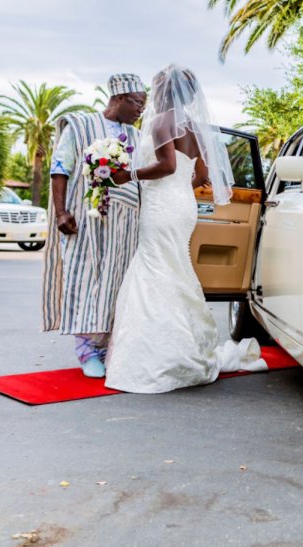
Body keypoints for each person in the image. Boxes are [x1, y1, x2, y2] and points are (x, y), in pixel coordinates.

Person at [104, 64, 266, 393]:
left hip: (162, 207)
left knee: (155, 270)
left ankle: (161, 355)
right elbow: (202, 175)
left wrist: (128, 176)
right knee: (174, 268)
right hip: (182, 206)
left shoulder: (163, 121)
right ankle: (182, 346)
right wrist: (179, 188)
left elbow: (167, 165)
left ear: (163, 90)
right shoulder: (194, 126)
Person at [42, 74, 145, 377]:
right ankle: (87, 352)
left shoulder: (137, 136)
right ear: (120, 98)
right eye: (138, 103)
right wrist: (61, 212)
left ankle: (110, 348)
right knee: (87, 280)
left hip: (125, 225)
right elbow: (60, 167)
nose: (141, 111)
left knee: (117, 284)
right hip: (85, 220)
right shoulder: (80, 125)